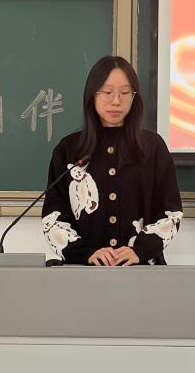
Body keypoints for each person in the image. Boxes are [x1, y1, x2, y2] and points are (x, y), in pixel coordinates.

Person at [41, 55, 183, 266]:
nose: (116, 101)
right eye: (107, 92)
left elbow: (171, 212)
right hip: (84, 270)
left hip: (142, 270)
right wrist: (86, 253)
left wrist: (140, 250)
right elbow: (53, 217)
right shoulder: (69, 150)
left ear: (134, 97)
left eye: (125, 93)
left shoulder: (152, 147)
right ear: (92, 95)